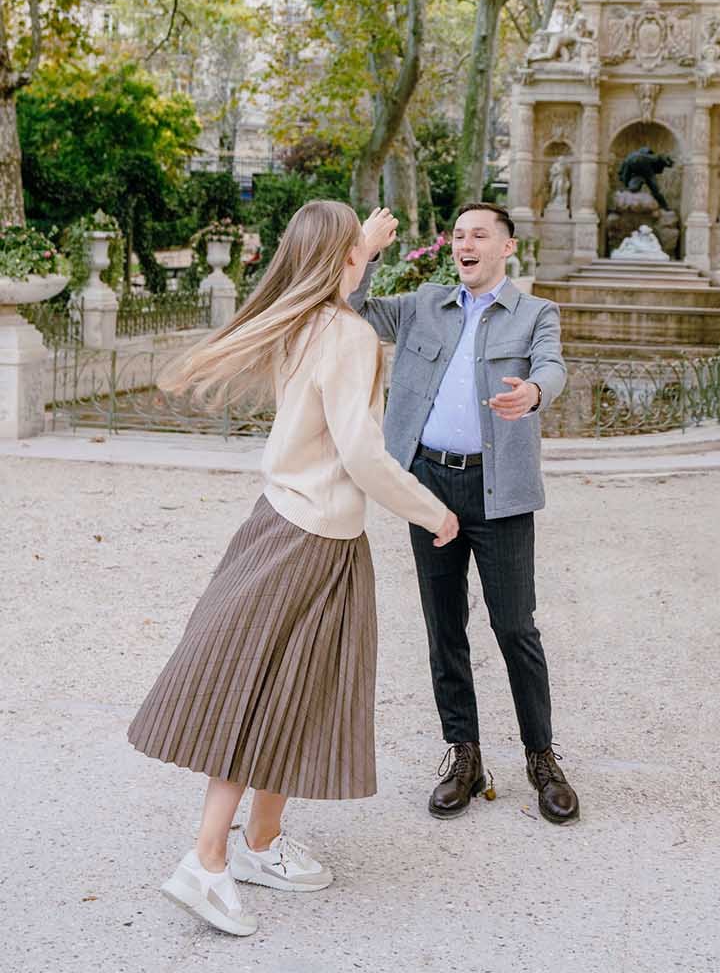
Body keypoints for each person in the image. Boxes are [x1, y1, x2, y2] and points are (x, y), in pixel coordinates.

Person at [127, 201, 458, 937]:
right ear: (340, 261)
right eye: (357, 253)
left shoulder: (299, 319)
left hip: (286, 525)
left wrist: (361, 245)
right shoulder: (348, 334)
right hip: (312, 541)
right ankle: (207, 860)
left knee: (296, 693)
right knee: (263, 691)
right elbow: (364, 454)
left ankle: (261, 843)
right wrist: (434, 512)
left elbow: (333, 272)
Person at [350, 202, 580, 825]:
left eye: (479, 235)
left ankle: (542, 758)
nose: (465, 244)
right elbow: (353, 309)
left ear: (507, 248)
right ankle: (465, 755)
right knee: (443, 625)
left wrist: (535, 392)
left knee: (514, 628)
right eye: (458, 236)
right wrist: (365, 251)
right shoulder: (424, 303)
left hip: (499, 490)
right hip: (428, 484)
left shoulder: (536, 313)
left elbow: (554, 367)